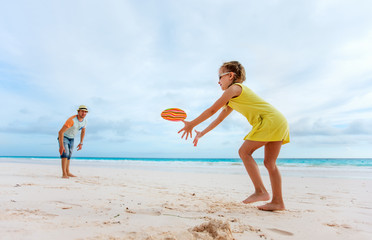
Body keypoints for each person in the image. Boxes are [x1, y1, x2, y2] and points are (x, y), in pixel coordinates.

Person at [178, 61, 290, 211]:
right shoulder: (231, 99)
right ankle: (278, 202)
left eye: (220, 77)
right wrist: (202, 133)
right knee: (270, 163)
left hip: (269, 121)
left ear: (230, 76)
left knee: (244, 152)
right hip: (279, 121)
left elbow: (212, 110)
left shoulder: (234, 89)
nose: (218, 82)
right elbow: (218, 118)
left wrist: (191, 124)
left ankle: (260, 191)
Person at [58, 105, 88, 178]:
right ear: (78, 112)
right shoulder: (71, 120)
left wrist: (81, 143)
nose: (83, 113)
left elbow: (83, 131)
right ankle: (64, 174)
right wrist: (61, 145)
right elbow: (60, 132)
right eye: (82, 111)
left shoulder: (85, 121)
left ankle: (68, 172)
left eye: (85, 112)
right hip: (64, 137)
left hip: (72, 138)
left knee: (69, 156)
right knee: (65, 154)